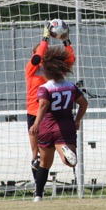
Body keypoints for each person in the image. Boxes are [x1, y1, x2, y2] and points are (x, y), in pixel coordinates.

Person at [29, 46, 87, 202]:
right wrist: (77, 120)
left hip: (47, 127)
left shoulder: (45, 88)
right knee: (69, 162)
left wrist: (36, 124)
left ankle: (38, 195)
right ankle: (65, 151)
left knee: (44, 163)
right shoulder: (70, 86)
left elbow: (42, 105)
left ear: (47, 70)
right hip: (65, 126)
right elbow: (84, 103)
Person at [25, 20, 75, 182]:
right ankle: (38, 187)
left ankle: (38, 191)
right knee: (39, 155)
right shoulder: (32, 68)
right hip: (38, 113)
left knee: (39, 154)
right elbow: (38, 56)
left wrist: (65, 41)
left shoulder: (50, 70)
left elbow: (70, 60)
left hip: (41, 115)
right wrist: (45, 39)